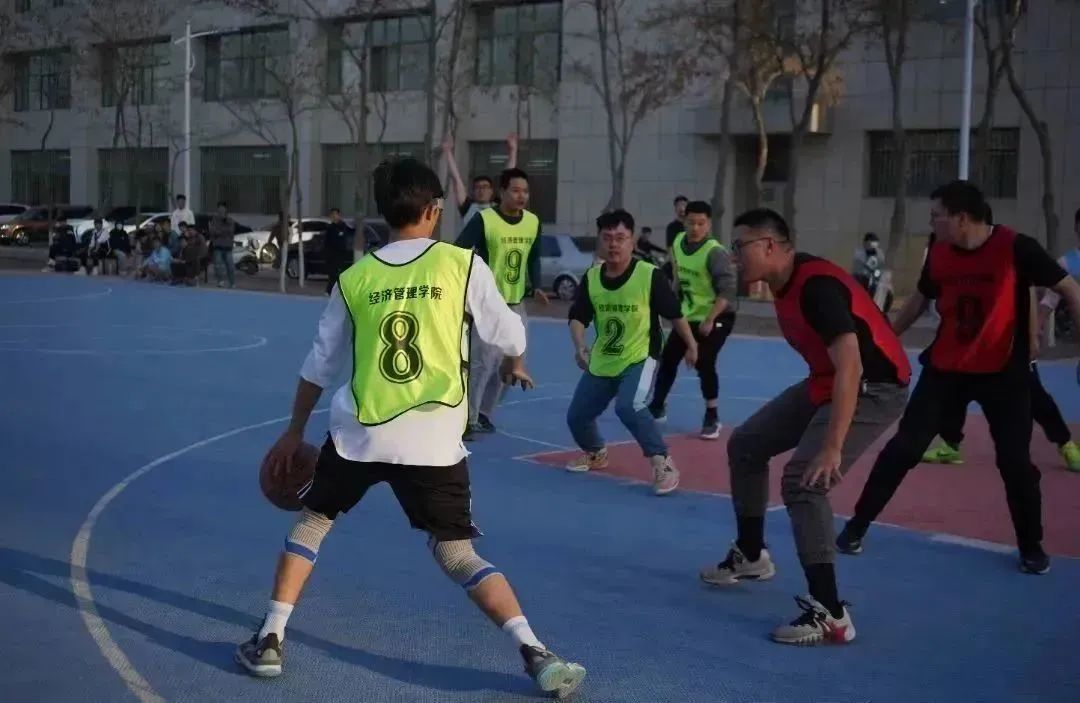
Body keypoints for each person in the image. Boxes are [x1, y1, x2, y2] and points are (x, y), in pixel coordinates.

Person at [234, 158, 585, 698]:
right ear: (434, 210)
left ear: (384, 210)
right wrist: (499, 346)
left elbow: (319, 365)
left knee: (313, 524)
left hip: (361, 433)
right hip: (434, 439)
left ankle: (270, 640)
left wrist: (293, 430)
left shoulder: (355, 278)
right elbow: (510, 336)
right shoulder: (461, 265)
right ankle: (535, 652)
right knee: (456, 554)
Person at [836, 180, 1080, 575]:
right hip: (946, 370)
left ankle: (1031, 546)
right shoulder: (939, 251)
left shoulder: (1016, 247)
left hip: (1003, 372)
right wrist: (886, 338)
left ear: (961, 218)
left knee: (1015, 462)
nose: (931, 222)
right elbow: (921, 297)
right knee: (903, 449)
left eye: (937, 216)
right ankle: (856, 527)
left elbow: (1069, 287)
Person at [701, 208, 911, 645]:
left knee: (805, 480)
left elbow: (851, 366)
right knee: (746, 444)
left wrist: (832, 446)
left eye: (739, 246)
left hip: (873, 387)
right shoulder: (784, 284)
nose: (734, 257)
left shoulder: (816, 287)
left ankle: (831, 613)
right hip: (827, 382)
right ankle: (752, 554)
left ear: (769, 246)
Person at [564, 209, 695, 494]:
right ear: (600, 241)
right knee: (577, 416)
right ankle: (596, 452)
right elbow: (578, 316)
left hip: (640, 356)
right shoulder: (592, 277)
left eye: (620, 238)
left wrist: (691, 345)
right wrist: (579, 345)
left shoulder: (649, 275)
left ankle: (663, 462)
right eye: (607, 238)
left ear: (632, 241)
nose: (614, 244)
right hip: (604, 359)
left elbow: (674, 313)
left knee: (629, 405)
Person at [922, 289, 1080, 471]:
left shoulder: (1014, 274)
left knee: (1034, 395)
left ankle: (1065, 443)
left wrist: (1032, 335)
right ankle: (950, 443)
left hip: (1007, 340)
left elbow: (1030, 293)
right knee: (956, 388)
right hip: (972, 338)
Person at [455, 167, 548, 439]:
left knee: (513, 364)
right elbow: (458, 251)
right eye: (516, 190)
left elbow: (534, 257)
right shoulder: (484, 220)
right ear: (503, 192)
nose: (521, 196)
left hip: (516, 305)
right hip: (487, 304)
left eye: (525, 191)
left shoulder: (532, 222)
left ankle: (484, 413)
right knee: (482, 364)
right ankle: (466, 420)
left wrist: (537, 285)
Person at [647, 201, 736, 439]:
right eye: (691, 222)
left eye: (701, 223)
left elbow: (728, 291)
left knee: (704, 360)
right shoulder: (678, 243)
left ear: (709, 225)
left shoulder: (715, 252)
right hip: (689, 314)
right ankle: (657, 406)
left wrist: (710, 319)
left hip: (718, 314)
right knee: (668, 358)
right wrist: (671, 303)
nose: (695, 228)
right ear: (684, 221)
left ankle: (712, 416)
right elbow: (678, 278)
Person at [323, 207, 354, 296]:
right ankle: (329, 291)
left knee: (340, 274)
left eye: (335, 214)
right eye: (332, 214)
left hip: (341, 254)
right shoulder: (330, 228)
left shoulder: (343, 226)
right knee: (332, 274)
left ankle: (337, 291)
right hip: (332, 255)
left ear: (339, 215)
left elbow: (350, 234)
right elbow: (327, 242)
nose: (334, 216)